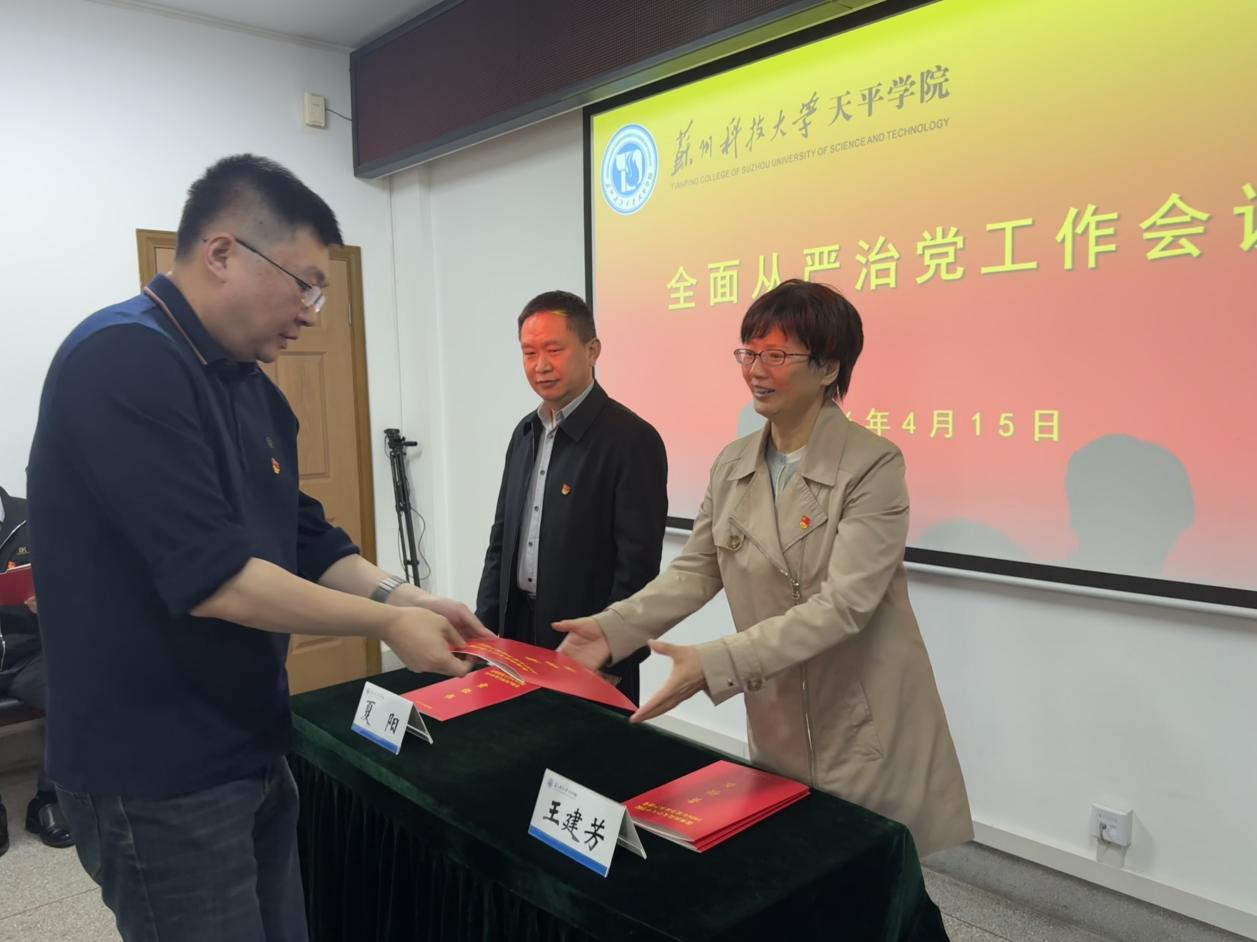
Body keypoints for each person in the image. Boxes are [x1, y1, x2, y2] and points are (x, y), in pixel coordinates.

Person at [26, 154, 489, 941]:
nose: (311, 312)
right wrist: (386, 626)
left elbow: (304, 535)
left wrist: (406, 597)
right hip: (158, 767)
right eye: (304, 285)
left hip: (249, 742)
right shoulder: (120, 359)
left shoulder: (251, 388)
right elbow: (218, 580)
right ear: (222, 253)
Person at [556, 279, 972, 857]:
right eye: (748, 353)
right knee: (793, 865)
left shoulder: (872, 465)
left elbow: (844, 606)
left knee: (865, 874)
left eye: (775, 355)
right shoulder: (733, 464)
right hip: (778, 711)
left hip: (862, 716)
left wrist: (717, 662)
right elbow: (697, 571)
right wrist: (612, 629)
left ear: (828, 369)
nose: (755, 370)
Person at [476, 290, 667, 704]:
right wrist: (484, 632)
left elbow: (637, 567)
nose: (541, 365)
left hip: (589, 647)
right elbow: (501, 540)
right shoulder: (525, 432)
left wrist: (613, 654)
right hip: (517, 633)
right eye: (529, 353)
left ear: (592, 350)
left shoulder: (632, 439)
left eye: (554, 350)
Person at [0, 485, 73, 856]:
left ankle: (48, 799)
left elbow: (78, 583)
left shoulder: (34, 515)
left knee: (74, 690)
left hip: (29, 652)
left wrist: (54, 600)